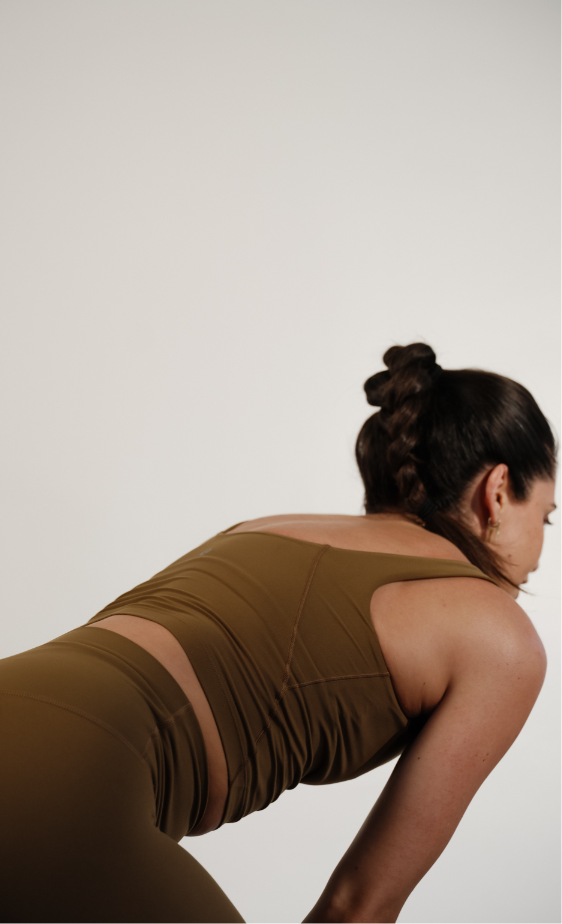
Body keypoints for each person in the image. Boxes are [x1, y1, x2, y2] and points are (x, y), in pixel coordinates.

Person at [0, 342, 556, 924]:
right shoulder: (501, 639)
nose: (540, 550)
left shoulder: (268, 527)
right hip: (77, 785)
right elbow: (356, 908)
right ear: (497, 491)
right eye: (544, 515)